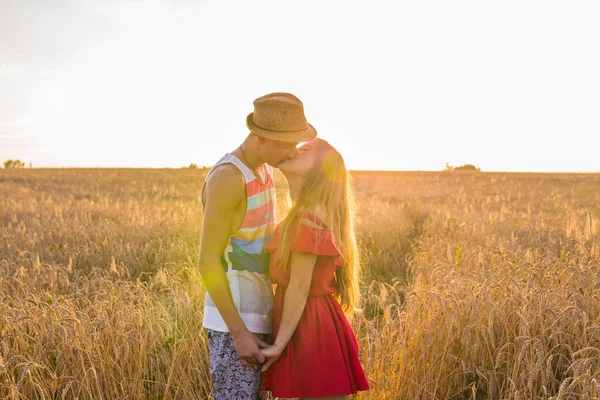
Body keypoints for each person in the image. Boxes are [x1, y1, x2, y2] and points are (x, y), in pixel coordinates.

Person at [197, 92, 317, 400]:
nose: (293, 150)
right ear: (262, 137)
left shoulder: (263, 170)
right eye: (287, 142)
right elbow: (208, 262)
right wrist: (238, 333)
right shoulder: (228, 177)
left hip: (260, 316)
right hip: (234, 324)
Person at [260, 138, 370, 399]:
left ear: (319, 170)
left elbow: (299, 287)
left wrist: (279, 345)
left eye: (305, 149)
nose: (294, 149)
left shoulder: (308, 216)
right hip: (310, 321)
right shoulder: (306, 211)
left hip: (310, 326)